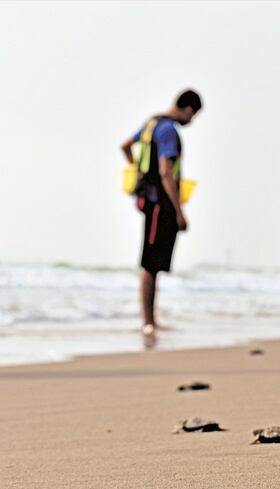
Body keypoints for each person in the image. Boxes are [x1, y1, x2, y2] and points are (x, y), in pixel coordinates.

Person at [120, 89, 203, 337]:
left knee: (153, 263)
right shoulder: (167, 130)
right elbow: (167, 171)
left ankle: (151, 320)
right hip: (161, 203)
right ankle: (148, 321)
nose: (191, 121)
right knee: (150, 264)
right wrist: (180, 212)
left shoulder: (151, 124)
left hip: (150, 199)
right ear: (187, 109)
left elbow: (125, 146)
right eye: (193, 115)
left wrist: (138, 173)